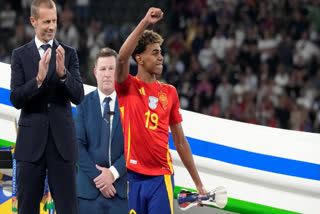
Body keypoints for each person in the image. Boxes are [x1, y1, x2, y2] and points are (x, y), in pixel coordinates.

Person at [115, 7, 206, 214]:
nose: (161, 57)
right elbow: (121, 58)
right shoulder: (127, 86)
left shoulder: (170, 93)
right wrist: (145, 21)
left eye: (161, 52)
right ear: (139, 58)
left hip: (161, 177)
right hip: (132, 178)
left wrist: (198, 183)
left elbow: (181, 142)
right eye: (155, 52)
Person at [10, 0, 84, 213]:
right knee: (26, 209)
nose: (52, 26)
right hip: (30, 146)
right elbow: (16, 99)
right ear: (33, 21)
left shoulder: (68, 54)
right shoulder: (20, 55)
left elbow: (78, 96)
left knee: (68, 209)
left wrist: (63, 75)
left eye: (54, 21)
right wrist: (38, 80)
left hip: (63, 146)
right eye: (46, 22)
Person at [75, 47, 127, 214]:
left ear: (118, 71)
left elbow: (135, 146)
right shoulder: (83, 104)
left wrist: (112, 174)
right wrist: (100, 179)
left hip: (120, 193)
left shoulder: (130, 105)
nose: (107, 74)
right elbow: (77, 145)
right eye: (103, 69)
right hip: (88, 193)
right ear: (95, 72)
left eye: (111, 69)